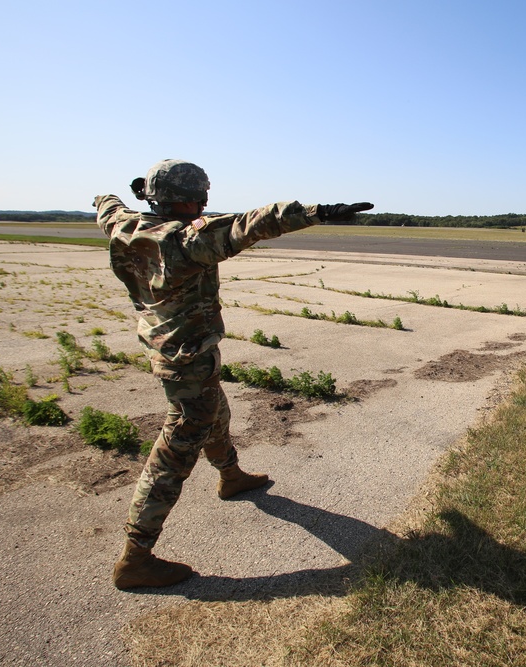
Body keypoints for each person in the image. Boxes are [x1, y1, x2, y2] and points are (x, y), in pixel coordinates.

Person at [93, 159, 372, 590]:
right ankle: (135, 557)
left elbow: (105, 204)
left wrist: (125, 195)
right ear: (191, 201)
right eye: (200, 197)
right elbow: (251, 224)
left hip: (171, 351)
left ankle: (231, 475)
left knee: (215, 413)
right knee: (175, 450)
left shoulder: (124, 226)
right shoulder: (187, 241)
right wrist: (320, 211)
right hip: (187, 357)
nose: (205, 203)